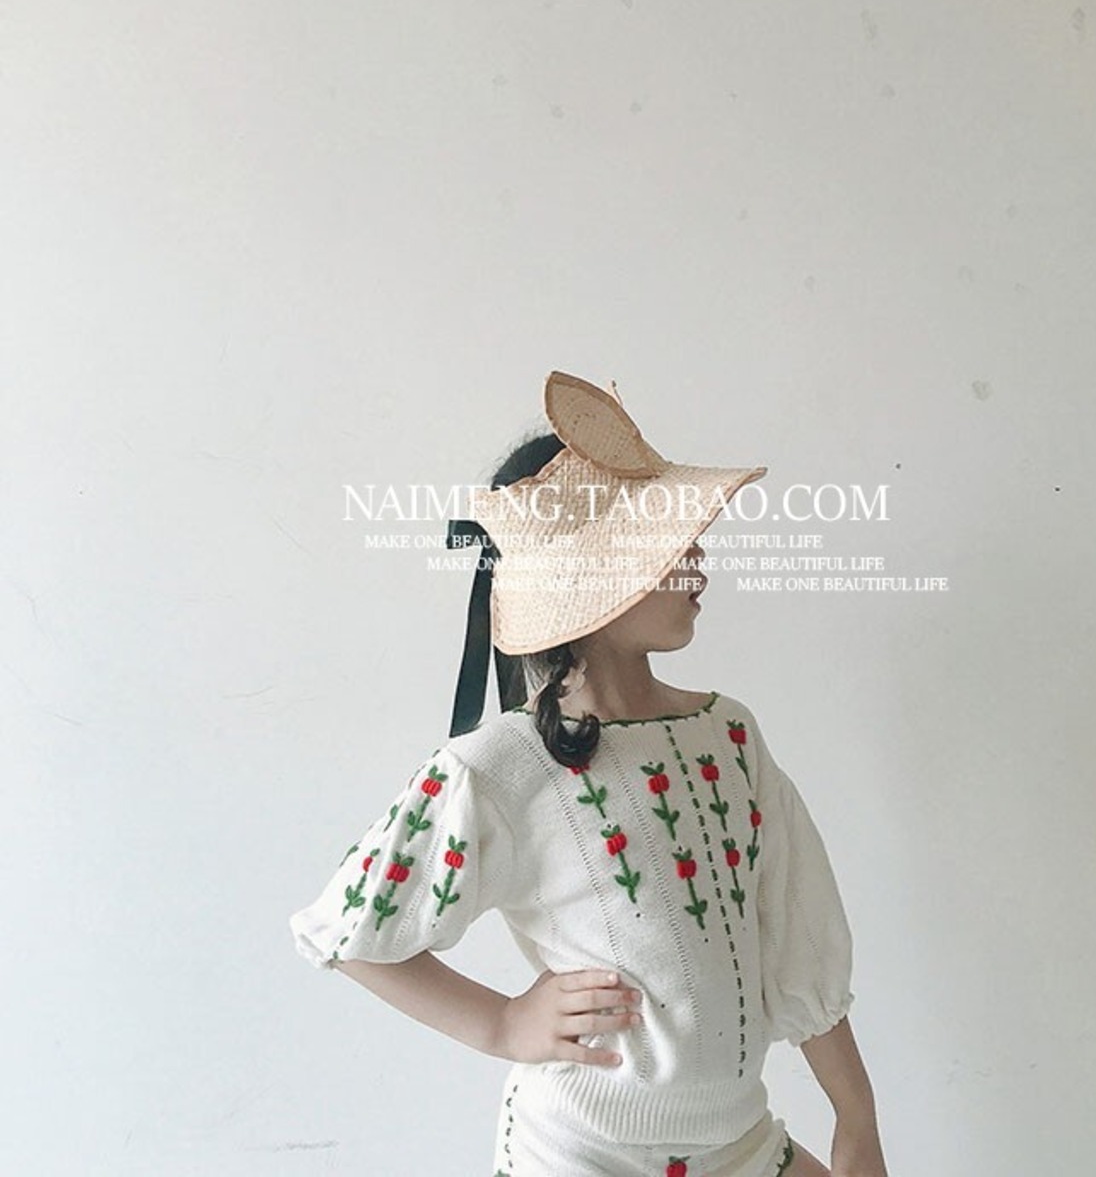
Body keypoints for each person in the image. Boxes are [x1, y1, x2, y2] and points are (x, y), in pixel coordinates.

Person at [289, 370, 890, 1176]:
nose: (699, 556)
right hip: (580, 1152)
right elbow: (348, 931)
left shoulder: (731, 738)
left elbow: (797, 935)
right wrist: (502, 1024)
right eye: (669, 539)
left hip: (739, 1143)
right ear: (589, 571)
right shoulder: (503, 767)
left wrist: (856, 1117)